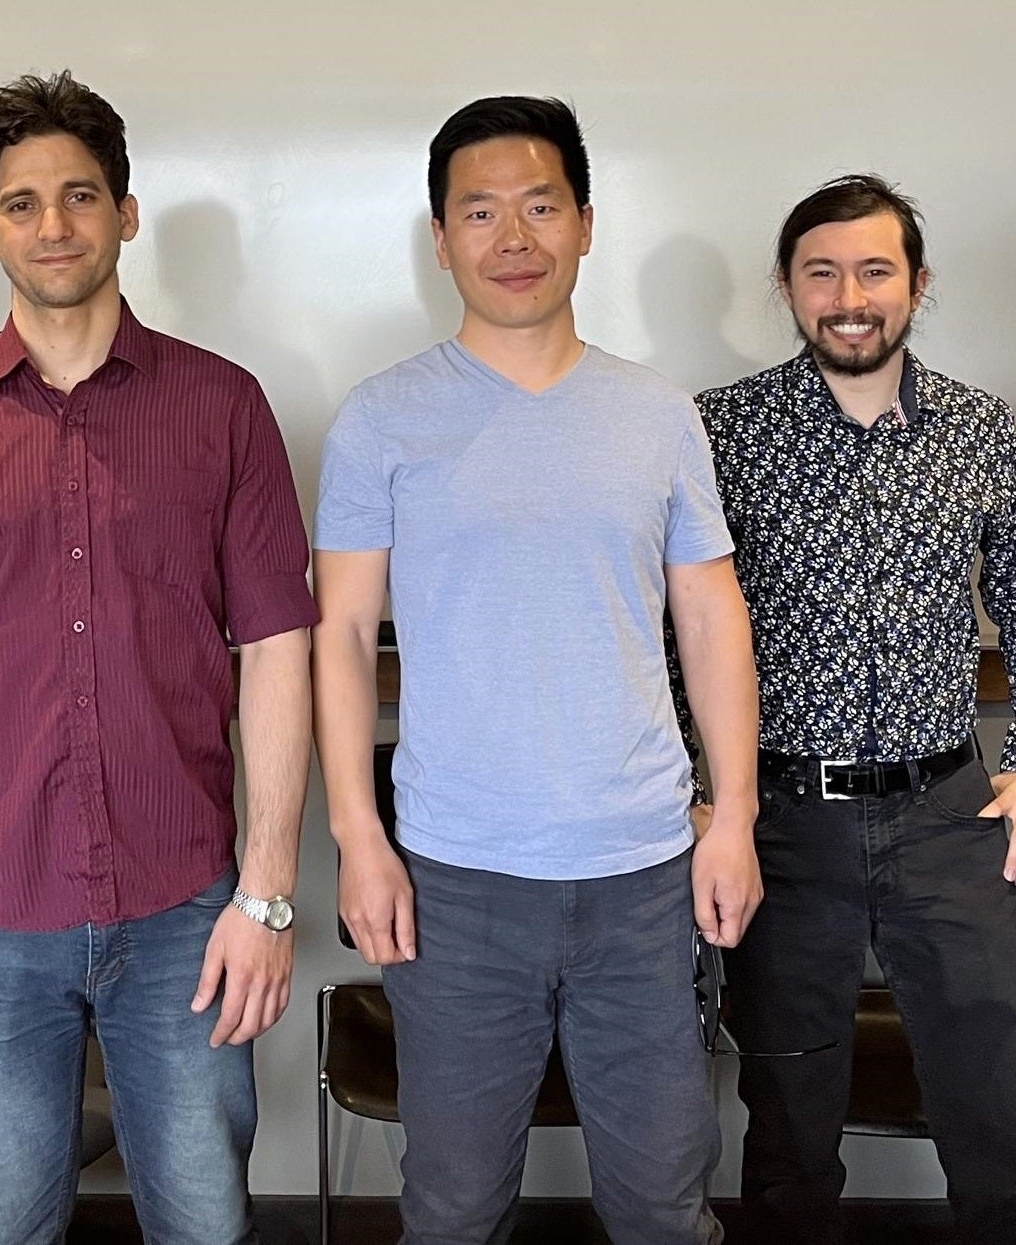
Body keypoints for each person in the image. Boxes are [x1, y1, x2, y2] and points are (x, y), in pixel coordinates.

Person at [0, 71, 316, 1244]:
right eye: (23, 203)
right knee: (3, 1229)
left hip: (183, 910)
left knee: (204, 1225)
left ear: (125, 213)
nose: (53, 225)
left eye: (80, 196)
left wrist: (266, 896)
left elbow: (277, 652)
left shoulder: (224, 408)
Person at [311, 94, 761, 1245]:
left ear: (587, 222)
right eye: (480, 212)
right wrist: (361, 840)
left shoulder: (657, 414)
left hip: (643, 874)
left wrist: (735, 821)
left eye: (540, 206)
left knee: (664, 1202)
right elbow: (344, 637)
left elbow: (711, 618)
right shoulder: (382, 419)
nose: (514, 237)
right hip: (456, 882)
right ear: (441, 236)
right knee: (454, 1207)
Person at [685, 173, 1016, 1245]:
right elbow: (671, 630)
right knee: (788, 1118)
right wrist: (701, 801)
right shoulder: (719, 433)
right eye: (822, 272)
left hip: (948, 813)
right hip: (779, 819)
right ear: (787, 287)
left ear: (917, 283)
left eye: (874, 270)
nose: (849, 296)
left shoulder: (974, 428)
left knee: (990, 1090)